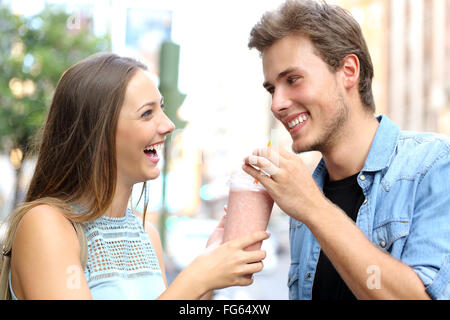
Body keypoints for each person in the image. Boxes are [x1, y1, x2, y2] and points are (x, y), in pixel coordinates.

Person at [0, 52, 269, 300]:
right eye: (147, 113)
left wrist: (210, 276)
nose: (168, 125)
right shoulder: (46, 225)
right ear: (98, 133)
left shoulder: (147, 235)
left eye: (161, 108)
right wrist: (197, 278)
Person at [243, 0, 450, 300]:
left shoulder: (434, 164)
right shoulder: (305, 200)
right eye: (272, 89)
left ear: (348, 71)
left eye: (292, 79)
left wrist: (313, 207)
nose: (277, 104)